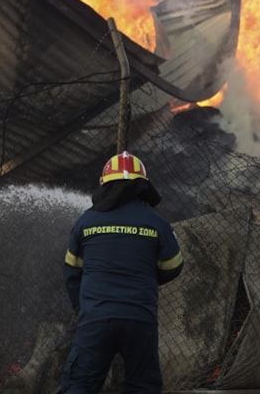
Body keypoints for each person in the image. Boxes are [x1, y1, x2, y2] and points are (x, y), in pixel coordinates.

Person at [58, 150, 184, 394]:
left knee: (80, 384)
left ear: (104, 185)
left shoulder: (87, 221)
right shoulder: (156, 223)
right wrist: (146, 277)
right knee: (142, 385)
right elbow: (173, 267)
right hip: (139, 319)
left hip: (96, 319)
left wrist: (83, 308)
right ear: (142, 187)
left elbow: (71, 272)